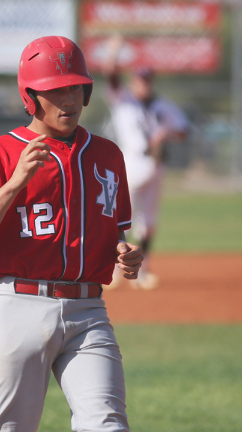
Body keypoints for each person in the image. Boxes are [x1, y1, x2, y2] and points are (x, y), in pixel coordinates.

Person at [0, 36, 143, 432]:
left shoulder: (108, 155)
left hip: (89, 311)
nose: (68, 99)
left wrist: (122, 252)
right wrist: (14, 183)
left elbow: (112, 229)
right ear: (30, 96)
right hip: (19, 308)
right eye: (55, 90)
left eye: (75, 88)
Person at [103, 36, 189, 290]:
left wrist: (166, 134)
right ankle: (114, 270)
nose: (145, 83)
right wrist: (114, 52)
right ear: (133, 81)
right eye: (140, 78)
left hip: (155, 165)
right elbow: (110, 74)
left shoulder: (163, 106)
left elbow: (184, 131)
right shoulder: (123, 100)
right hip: (130, 164)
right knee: (119, 218)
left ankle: (143, 270)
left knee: (148, 221)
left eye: (148, 79)